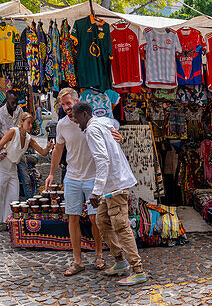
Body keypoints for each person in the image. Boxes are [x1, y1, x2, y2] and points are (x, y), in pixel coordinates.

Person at [73, 101, 147, 286]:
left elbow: (102, 160)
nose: (74, 120)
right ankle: (120, 261)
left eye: (75, 116)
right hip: (110, 186)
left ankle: (138, 271)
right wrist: (117, 134)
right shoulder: (103, 122)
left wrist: (95, 192)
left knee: (121, 227)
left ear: (84, 114)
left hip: (115, 186)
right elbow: (114, 124)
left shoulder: (92, 130)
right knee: (102, 222)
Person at [47, 88, 110, 275]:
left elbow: (109, 134)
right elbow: (58, 150)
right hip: (72, 177)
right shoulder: (62, 125)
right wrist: (51, 173)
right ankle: (77, 260)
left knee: (94, 217)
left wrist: (119, 137)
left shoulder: (90, 122)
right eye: (63, 104)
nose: (66, 107)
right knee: (72, 217)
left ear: (77, 101)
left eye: (69, 103)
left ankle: (99, 254)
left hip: (92, 177)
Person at [0, 113, 51, 232]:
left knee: (13, 195)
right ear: (21, 122)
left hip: (13, 168)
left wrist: (48, 148)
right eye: (28, 122)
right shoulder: (13, 132)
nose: (30, 125)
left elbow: (42, 152)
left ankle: (8, 221)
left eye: (32, 123)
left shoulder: (29, 138)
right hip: (2, 166)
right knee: (1, 195)